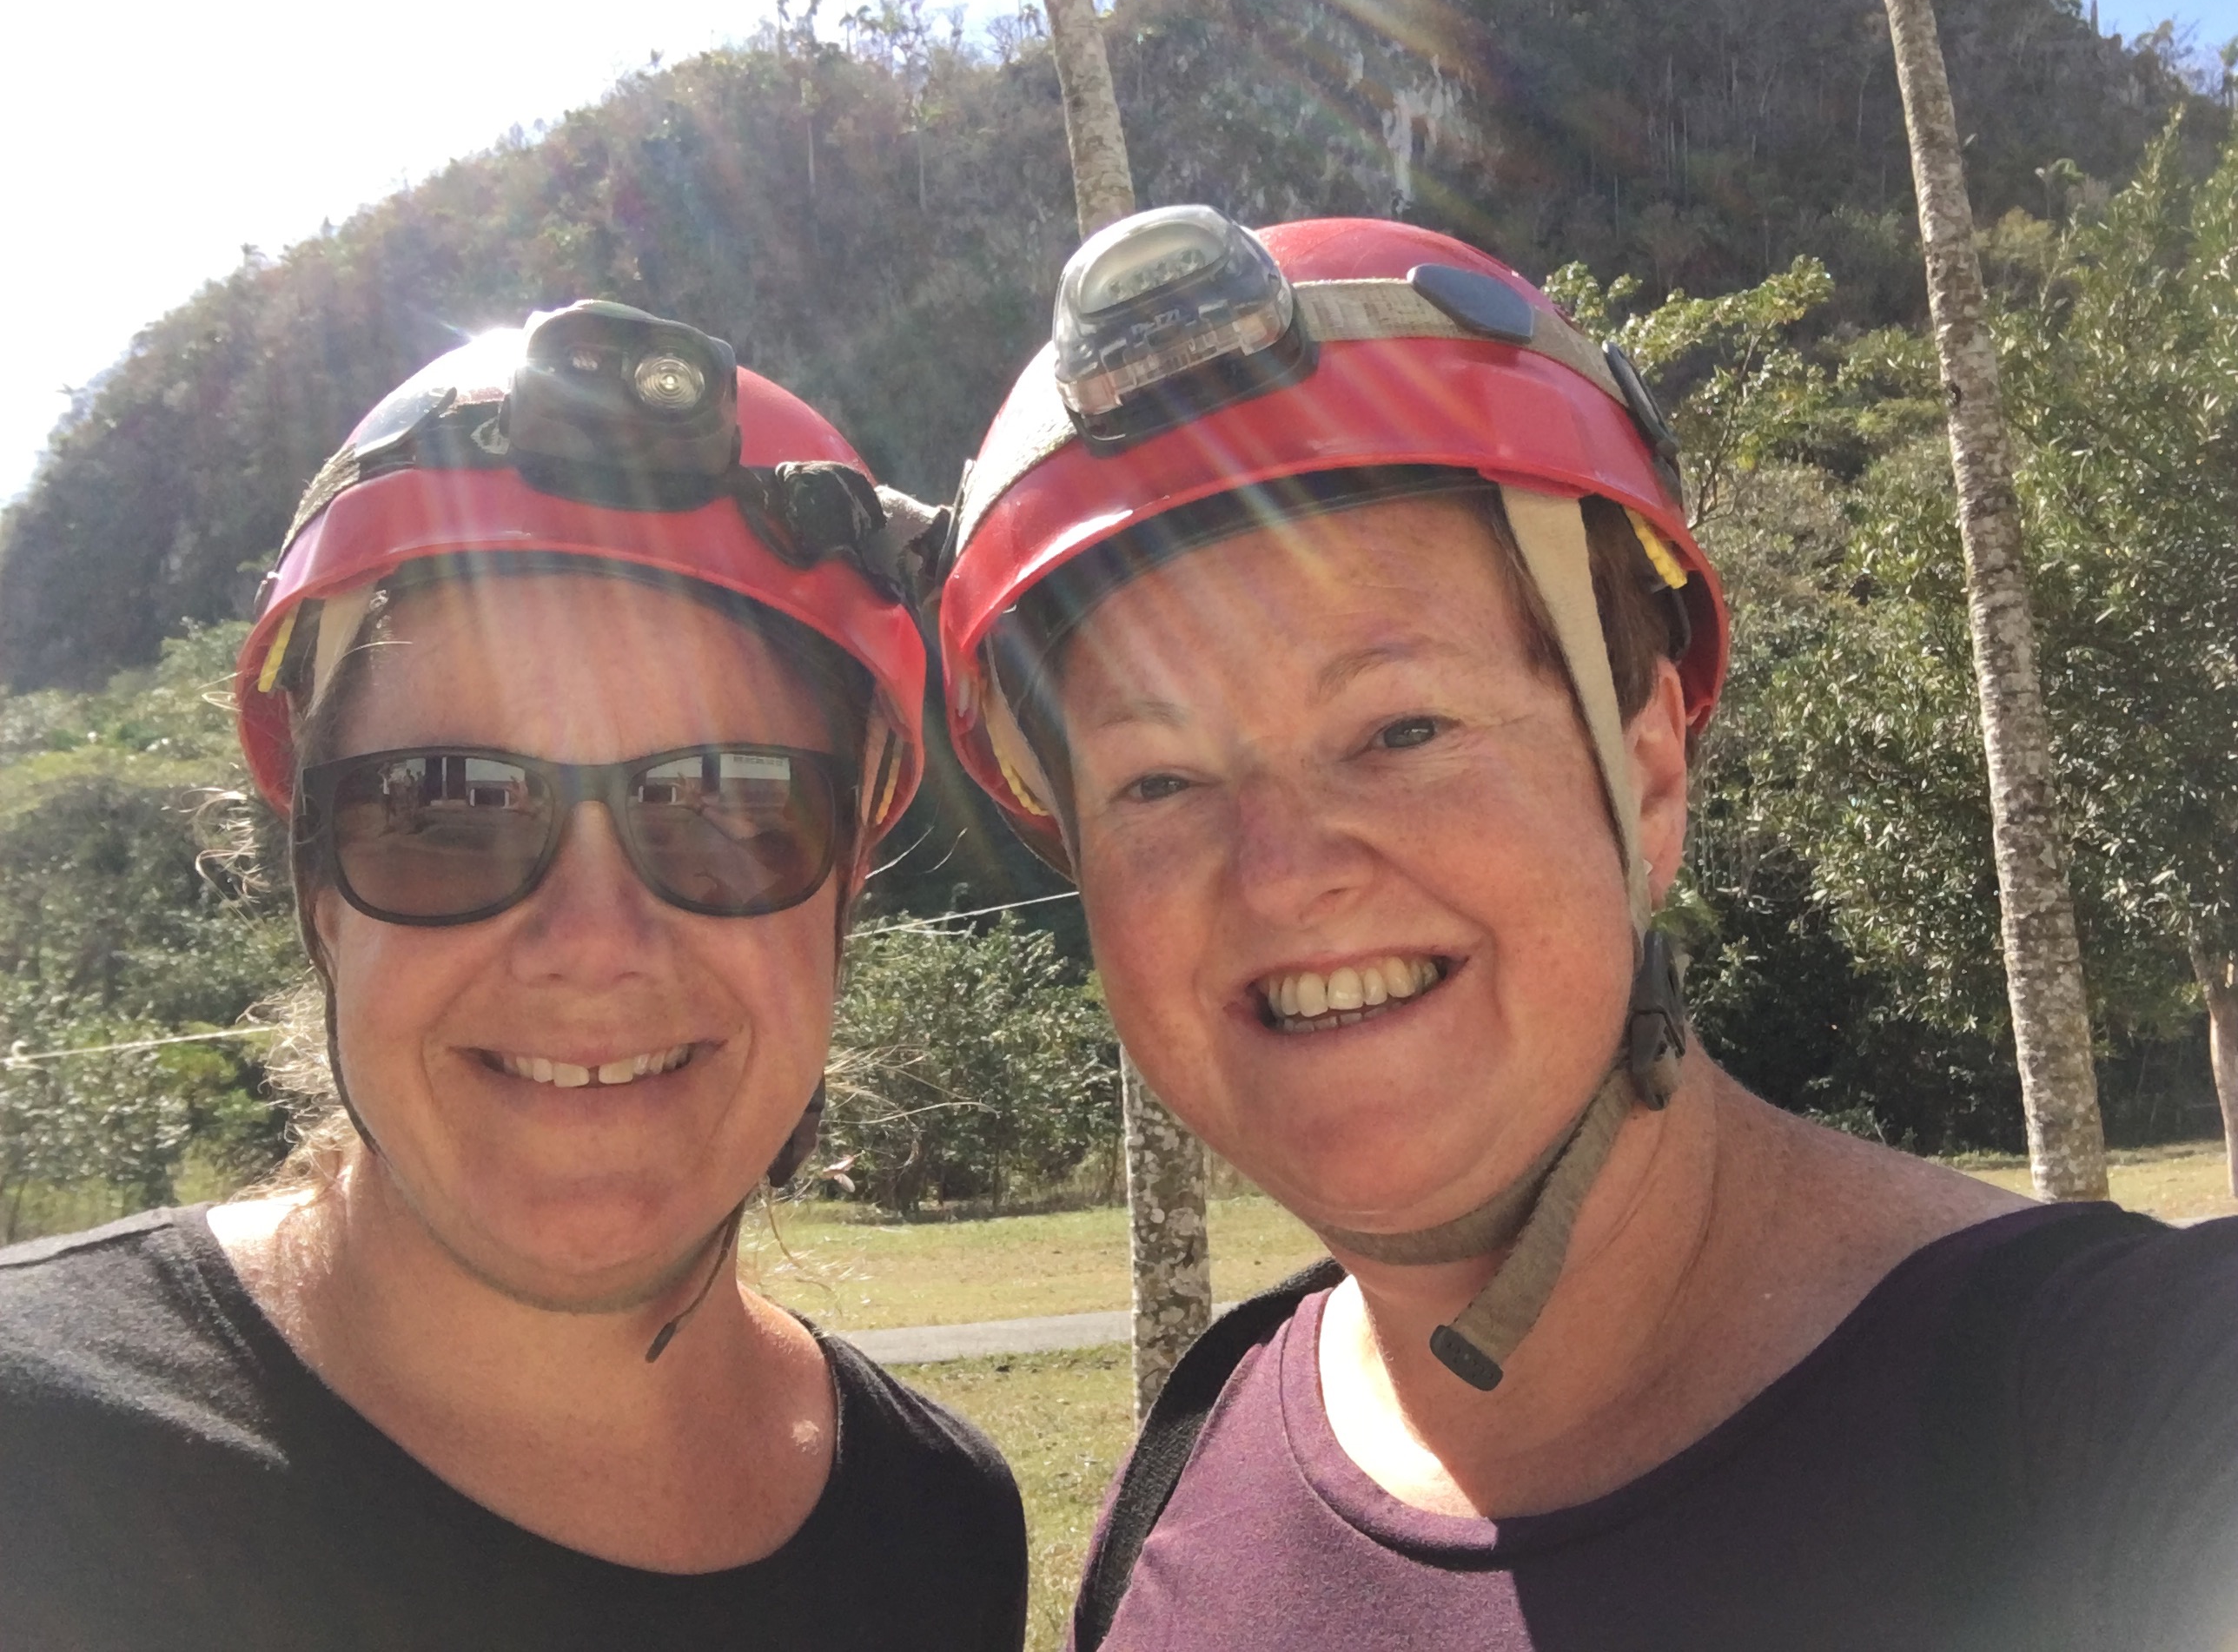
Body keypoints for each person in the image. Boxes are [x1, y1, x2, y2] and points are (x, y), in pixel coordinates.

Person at [933, 208, 2238, 1649]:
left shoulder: (2126, 1401)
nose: (1280, 875)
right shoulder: (1187, 1474)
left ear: (1650, 778)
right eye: (1158, 781)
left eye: (1400, 727)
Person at [0, 302, 1026, 1649]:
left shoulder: (939, 1529)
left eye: (724, 808)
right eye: (447, 806)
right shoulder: (41, 1462)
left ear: (847, 882)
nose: (591, 943)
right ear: (314, 879)